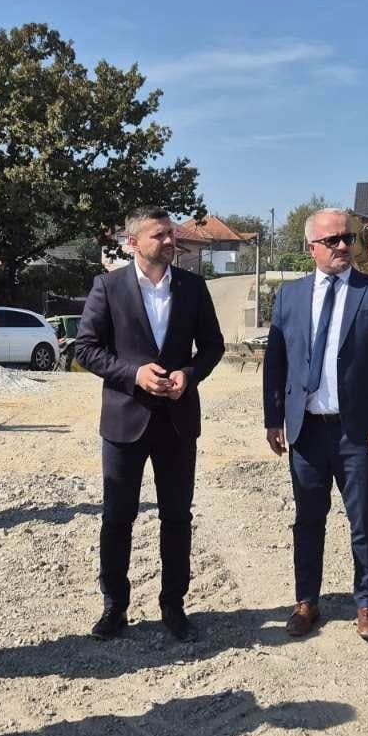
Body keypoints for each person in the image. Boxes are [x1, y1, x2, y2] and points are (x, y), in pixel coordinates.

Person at [75, 207, 225, 642]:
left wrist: (189, 375)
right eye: (159, 235)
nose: (170, 241)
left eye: (171, 234)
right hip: (125, 420)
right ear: (133, 243)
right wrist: (133, 374)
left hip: (178, 421)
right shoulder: (108, 286)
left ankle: (173, 605)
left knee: (177, 517)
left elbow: (213, 346)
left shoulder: (193, 287)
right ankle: (114, 607)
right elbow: (85, 348)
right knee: (117, 517)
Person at [263, 207, 368, 644]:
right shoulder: (290, 296)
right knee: (308, 519)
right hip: (306, 430)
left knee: (363, 518)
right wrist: (273, 418)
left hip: (359, 432)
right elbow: (276, 361)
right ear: (311, 247)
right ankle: (306, 601)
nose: (344, 246)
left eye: (348, 238)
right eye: (333, 241)